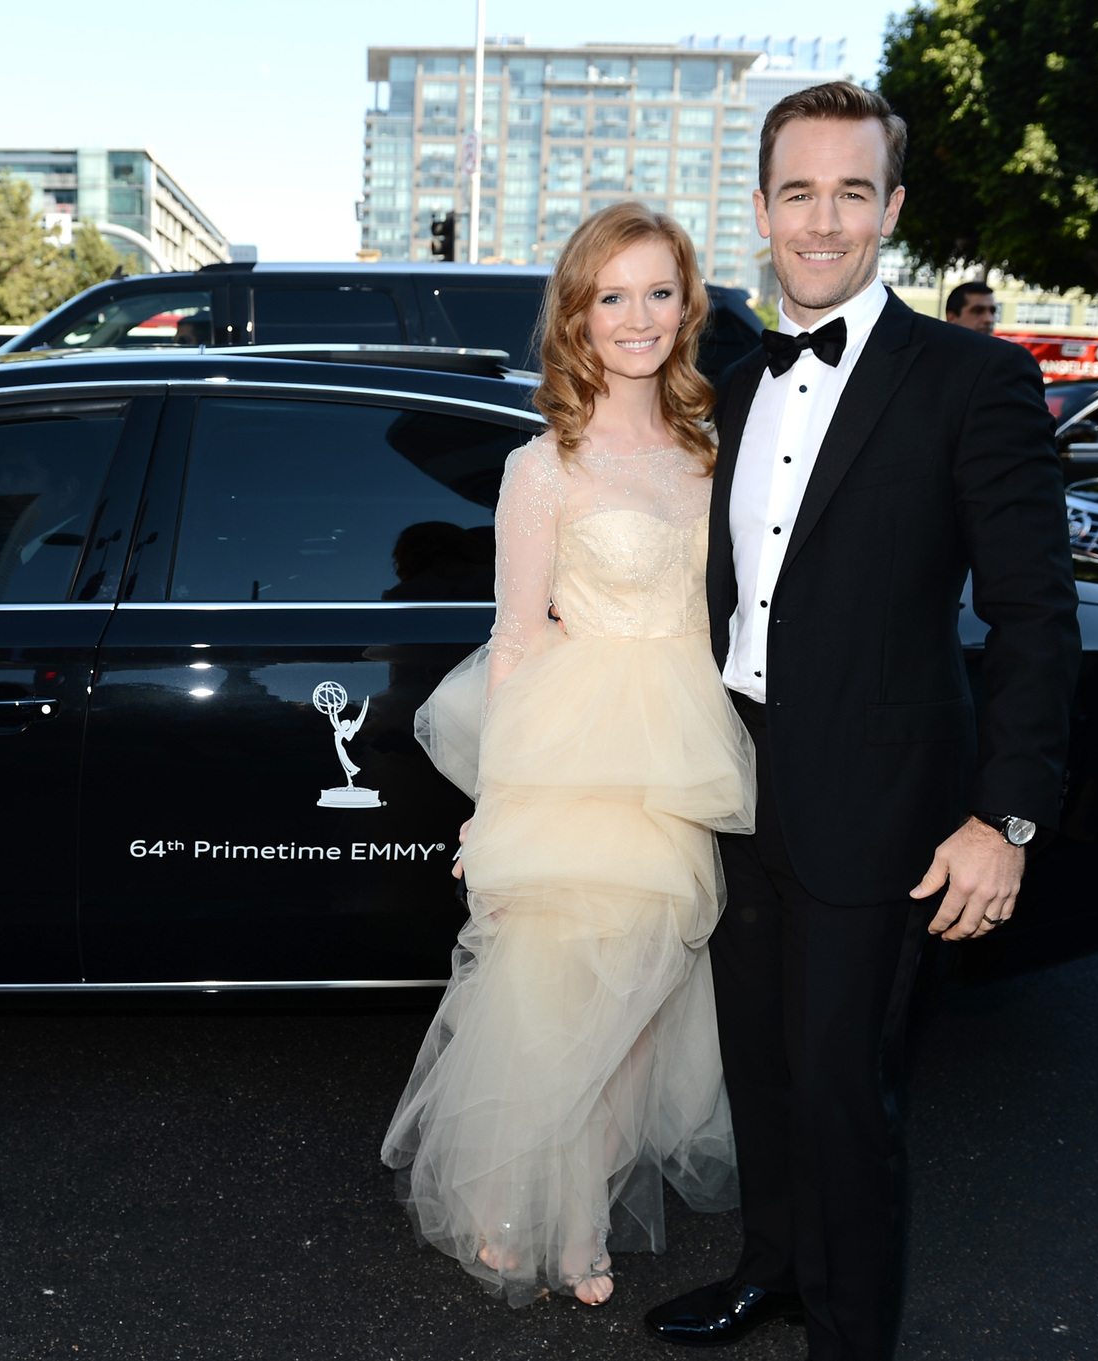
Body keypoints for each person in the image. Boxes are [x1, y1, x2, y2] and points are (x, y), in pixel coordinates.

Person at [642, 82, 1078, 1360]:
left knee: (843, 1087)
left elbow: (1034, 617)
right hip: (731, 779)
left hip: (886, 799)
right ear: (762, 208)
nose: (820, 220)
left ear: (889, 209)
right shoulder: (725, 384)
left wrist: (1003, 814)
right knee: (758, 1067)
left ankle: (850, 1330)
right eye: (796, 192)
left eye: (849, 191)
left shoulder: (974, 379)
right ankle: (770, 1269)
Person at [387, 201, 756, 1309]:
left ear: (685, 303)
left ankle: (578, 1195)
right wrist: (495, 798)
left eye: (657, 291)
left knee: (645, 1000)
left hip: (685, 744)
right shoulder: (540, 464)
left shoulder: (710, 449)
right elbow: (514, 636)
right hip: (577, 744)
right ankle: (524, 1209)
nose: (636, 316)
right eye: (611, 295)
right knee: (559, 993)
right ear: (577, 315)